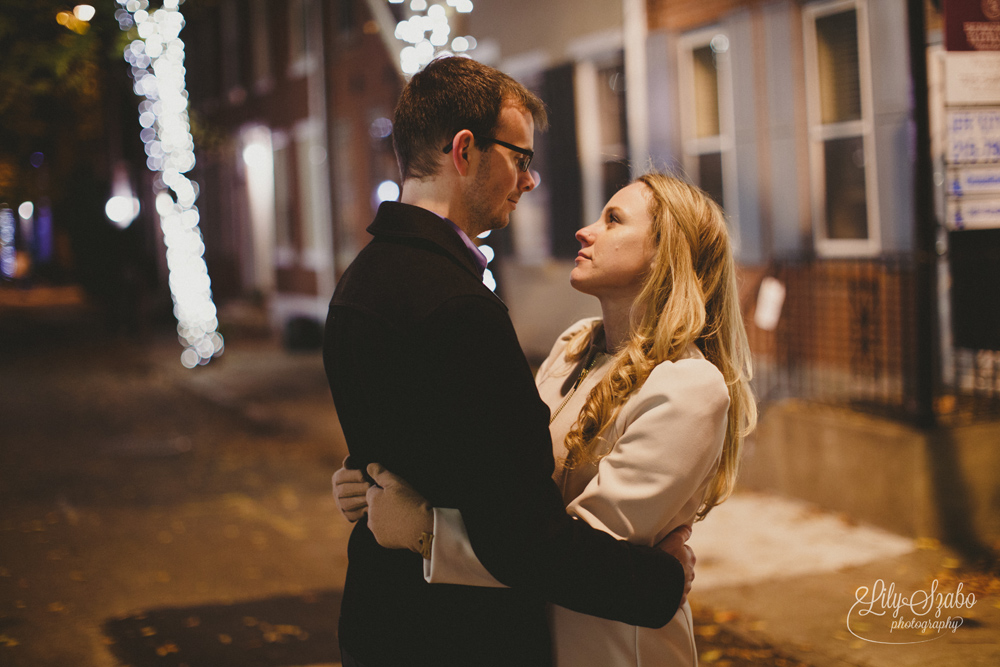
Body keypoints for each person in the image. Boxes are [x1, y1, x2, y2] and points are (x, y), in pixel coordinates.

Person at [323, 56, 694, 667]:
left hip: (378, 620)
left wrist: (363, 479)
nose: (530, 180)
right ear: (465, 150)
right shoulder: (458, 305)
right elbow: (524, 540)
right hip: (458, 638)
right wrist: (659, 583)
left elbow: (419, 446)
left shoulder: (359, 283)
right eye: (520, 158)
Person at [334, 172, 757, 666]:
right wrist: (378, 477)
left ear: (667, 255)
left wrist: (426, 531)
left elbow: (577, 551)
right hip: (525, 635)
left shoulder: (687, 386)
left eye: (613, 220)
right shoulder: (575, 345)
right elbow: (504, 477)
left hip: (607, 647)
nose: (584, 230)